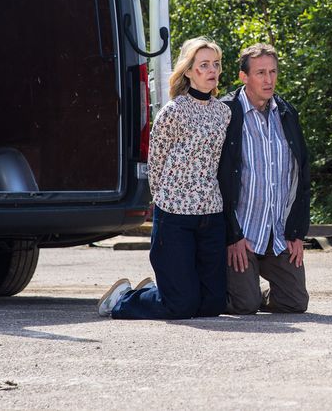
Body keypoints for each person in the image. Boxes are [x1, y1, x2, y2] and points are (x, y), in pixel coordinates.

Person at [97, 37, 231, 320]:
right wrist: (164, 202)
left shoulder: (223, 112)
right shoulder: (173, 111)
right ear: (188, 71)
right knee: (180, 306)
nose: (212, 71)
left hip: (211, 214)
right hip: (175, 215)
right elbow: (156, 163)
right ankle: (124, 298)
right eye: (203, 65)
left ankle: (158, 291)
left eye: (216, 65)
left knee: (212, 305)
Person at [218, 43, 311, 314]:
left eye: (273, 72)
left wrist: (296, 232)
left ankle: (247, 287)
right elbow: (218, 180)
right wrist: (230, 235)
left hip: (277, 234)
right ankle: (216, 287)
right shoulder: (227, 113)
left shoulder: (287, 114)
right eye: (260, 73)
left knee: (295, 302)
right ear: (243, 77)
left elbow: (301, 175)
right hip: (241, 234)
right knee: (243, 305)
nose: (268, 79)